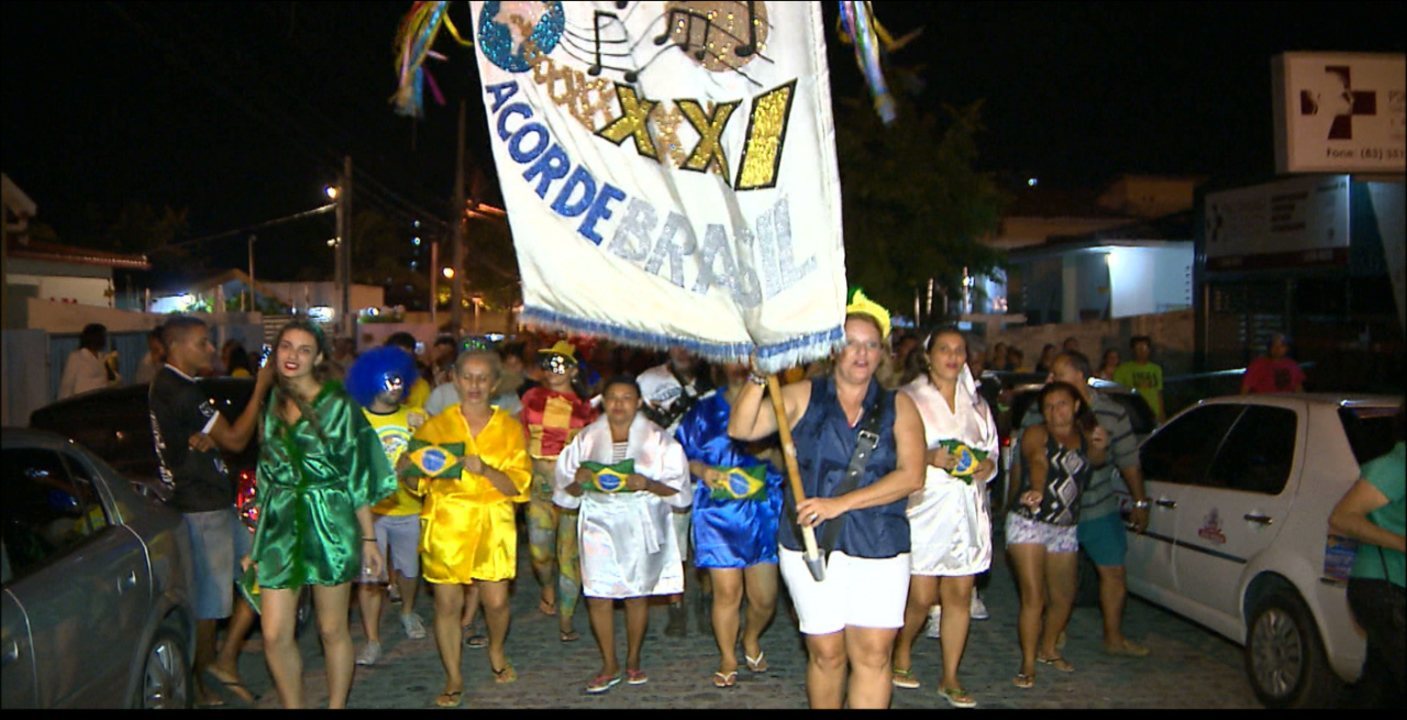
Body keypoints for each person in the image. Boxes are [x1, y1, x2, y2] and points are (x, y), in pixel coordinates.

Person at [727, 289, 926, 709]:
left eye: (871, 345)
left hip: (879, 541)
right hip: (809, 546)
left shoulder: (899, 406)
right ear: (834, 350)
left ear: (882, 353)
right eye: (851, 343)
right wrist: (760, 376)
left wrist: (839, 505)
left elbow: (911, 475)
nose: (861, 353)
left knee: (873, 654)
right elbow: (742, 429)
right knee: (827, 654)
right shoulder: (802, 396)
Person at [248, 319, 399, 708]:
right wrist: (256, 538)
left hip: (330, 518)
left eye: (303, 349)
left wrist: (369, 539)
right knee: (273, 633)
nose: (292, 356)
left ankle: (335, 705)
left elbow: (359, 475)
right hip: (280, 521)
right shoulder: (272, 404)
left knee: (331, 629)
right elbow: (265, 476)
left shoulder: (339, 406)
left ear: (318, 358)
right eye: (285, 347)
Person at [148, 316, 273, 706]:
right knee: (210, 604)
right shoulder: (182, 391)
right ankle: (201, 685)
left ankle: (225, 661)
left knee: (263, 572)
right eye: (201, 343)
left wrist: (206, 442)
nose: (208, 350)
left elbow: (200, 441)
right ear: (176, 346)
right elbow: (236, 439)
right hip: (202, 508)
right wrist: (260, 387)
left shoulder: (172, 387)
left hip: (210, 503)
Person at [400, 347, 531, 707]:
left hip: (493, 521)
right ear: (454, 379)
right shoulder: (435, 426)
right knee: (446, 604)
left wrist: (485, 469)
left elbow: (518, 487)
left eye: (482, 378)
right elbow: (413, 484)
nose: (474, 384)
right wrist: (407, 469)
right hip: (447, 522)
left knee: (497, 601)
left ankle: (497, 650)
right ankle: (454, 676)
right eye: (467, 377)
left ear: (494, 383)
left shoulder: (508, 427)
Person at [554, 375, 691, 694]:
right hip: (598, 524)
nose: (618, 404)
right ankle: (609, 663)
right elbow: (565, 489)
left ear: (639, 402)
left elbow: (681, 490)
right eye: (612, 397)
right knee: (599, 594)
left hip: (638, 523)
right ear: (603, 401)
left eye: (627, 397)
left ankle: (633, 657)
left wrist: (649, 484)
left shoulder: (658, 440)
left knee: (635, 593)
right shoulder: (586, 438)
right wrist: (579, 480)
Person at [1015, 351, 1153, 657]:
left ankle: (1113, 636)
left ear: (1081, 377)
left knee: (1113, 572)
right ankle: (1054, 632)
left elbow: (1129, 460)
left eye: (1058, 374)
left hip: (1097, 506)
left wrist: (1140, 501)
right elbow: (1025, 460)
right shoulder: (1042, 410)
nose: (1050, 380)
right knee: (1055, 582)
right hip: (1054, 511)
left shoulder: (1112, 413)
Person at [890, 327, 998, 707]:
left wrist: (986, 465)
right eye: (944, 349)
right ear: (929, 355)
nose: (952, 357)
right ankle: (901, 649)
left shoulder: (978, 405)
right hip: (924, 507)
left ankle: (950, 675)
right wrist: (931, 456)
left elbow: (992, 453)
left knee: (959, 595)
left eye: (959, 350)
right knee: (921, 595)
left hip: (966, 509)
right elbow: (894, 451)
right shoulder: (910, 398)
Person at [675, 362, 784, 689]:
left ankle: (750, 636)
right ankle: (728, 656)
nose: (740, 367)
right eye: (734, 360)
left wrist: (767, 451)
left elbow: (791, 462)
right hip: (718, 514)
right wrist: (703, 471)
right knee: (727, 593)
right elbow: (680, 456)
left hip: (762, 512)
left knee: (764, 598)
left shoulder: (776, 407)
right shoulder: (704, 411)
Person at [1006, 381, 1109, 689]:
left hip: (1065, 526)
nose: (1055, 411)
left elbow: (1098, 461)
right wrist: (1036, 489)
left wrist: (1100, 446)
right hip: (1030, 521)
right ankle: (1026, 663)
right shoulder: (1037, 433)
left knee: (1064, 598)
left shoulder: (1086, 435)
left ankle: (1048, 649)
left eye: (1061, 404)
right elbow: (1037, 460)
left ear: (1076, 405)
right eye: (1048, 406)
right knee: (1034, 597)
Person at [343, 347, 430, 668]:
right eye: (388, 380)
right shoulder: (355, 419)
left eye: (399, 380)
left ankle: (408, 610)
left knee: (409, 570)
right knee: (370, 578)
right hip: (370, 513)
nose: (394, 387)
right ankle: (372, 638)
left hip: (410, 507)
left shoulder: (416, 416)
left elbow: (430, 459)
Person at [1328, 406, 1404, 709]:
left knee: (1380, 685)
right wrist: (1402, 543)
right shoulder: (1396, 466)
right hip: (1383, 588)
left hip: (1392, 590)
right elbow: (1342, 517)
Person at [521, 340, 597, 642]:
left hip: (570, 490)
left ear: (574, 369)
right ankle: (547, 588)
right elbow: (520, 437)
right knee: (540, 552)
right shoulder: (531, 398)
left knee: (569, 556)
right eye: (548, 363)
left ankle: (566, 619)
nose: (553, 370)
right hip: (538, 488)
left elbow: (592, 450)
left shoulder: (585, 407)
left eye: (561, 363)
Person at [638, 347, 716, 637]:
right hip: (668, 475)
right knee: (675, 545)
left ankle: (708, 602)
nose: (682, 351)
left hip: (708, 473)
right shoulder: (648, 380)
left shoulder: (714, 380)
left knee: (708, 543)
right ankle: (676, 606)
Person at [59, 323, 119, 399]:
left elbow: (111, 379)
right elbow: (67, 385)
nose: (104, 339)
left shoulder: (101, 357)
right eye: (102, 336)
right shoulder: (77, 357)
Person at [1113, 336, 1164, 423]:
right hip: (1134, 415)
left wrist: (1161, 414)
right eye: (1138, 348)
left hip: (1153, 413)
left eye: (1144, 348)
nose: (1142, 352)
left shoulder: (1156, 369)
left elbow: (1158, 393)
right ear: (1133, 350)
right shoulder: (1122, 370)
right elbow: (1117, 395)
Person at [1241, 332, 1305, 394]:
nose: (1277, 349)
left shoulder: (1292, 366)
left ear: (1287, 348)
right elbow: (1246, 389)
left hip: (1287, 402)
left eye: (1281, 346)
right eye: (1274, 345)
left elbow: (1298, 389)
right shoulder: (1258, 365)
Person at [386, 331, 433, 410]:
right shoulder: (377, 384)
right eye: (398, 356)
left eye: (407, 357)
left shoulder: (422, 386)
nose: (403, 362)